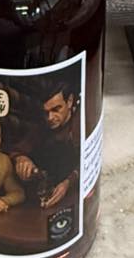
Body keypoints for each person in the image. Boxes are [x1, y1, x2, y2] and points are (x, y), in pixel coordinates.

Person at [11, 80, 82, 210]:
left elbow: (87, 160)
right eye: (46, 112)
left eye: (56, 109)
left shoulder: (81, 122)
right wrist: (21, 158)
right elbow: (16, 149)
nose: (50, 117)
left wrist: (69, 182)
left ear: (70, 101)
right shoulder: (43, 126)